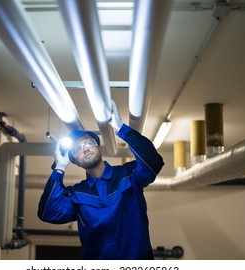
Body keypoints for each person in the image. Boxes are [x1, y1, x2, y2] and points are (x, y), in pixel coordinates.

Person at [37, 100, 164, 259]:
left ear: (100, 149)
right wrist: (59, 168)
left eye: (89, 143)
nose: (85, 148)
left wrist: (121, 128)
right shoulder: (76, 194)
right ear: (75, 161)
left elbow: (154, 162)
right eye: (77, 149)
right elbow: (48, 212)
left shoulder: (128, 174)